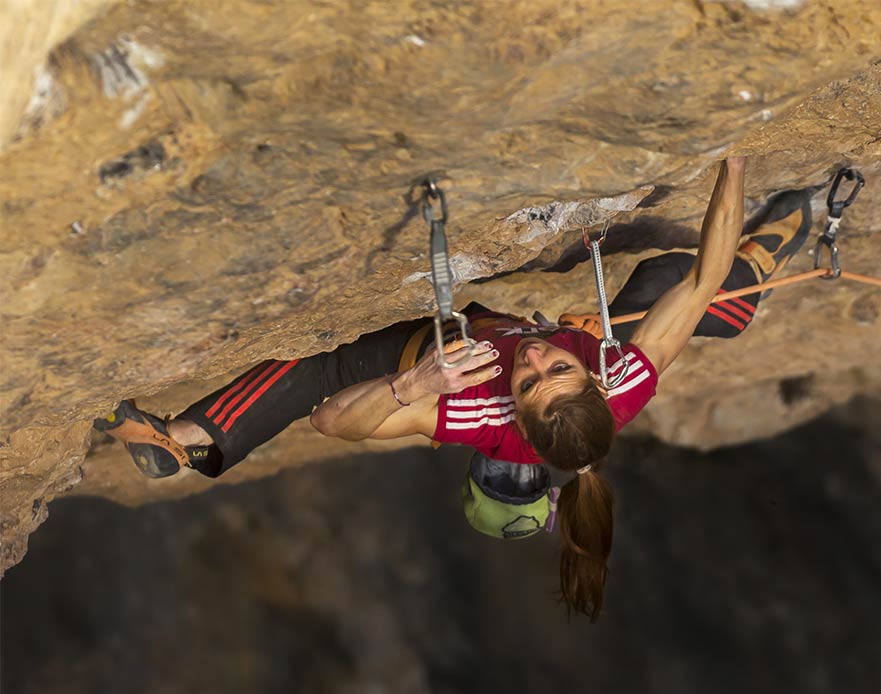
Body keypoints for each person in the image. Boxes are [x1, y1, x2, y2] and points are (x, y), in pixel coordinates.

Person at [94, 158, 813, 619]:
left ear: (517, 423)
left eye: (528, 382)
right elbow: (698, 279)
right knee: (678, 292)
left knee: (313, 369)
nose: (533, 362)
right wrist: (734, 159)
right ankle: (762, 270)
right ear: (595, 383)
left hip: (423, 351)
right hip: (528, 331)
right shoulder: (621, 378)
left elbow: (333, 422)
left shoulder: (477, 415)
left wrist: (414, 383)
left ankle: (191, 441)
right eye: (554, 369)